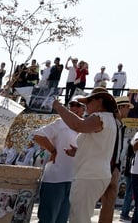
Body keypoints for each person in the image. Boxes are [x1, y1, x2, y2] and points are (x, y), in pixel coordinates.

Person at [51, 87, 118, 223]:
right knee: (81, 216)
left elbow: (77, 125)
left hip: (89, 175)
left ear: (99, 101)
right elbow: (99, 147)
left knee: (79, 218)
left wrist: (59, 107)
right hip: (95, 174)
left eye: (89, 101)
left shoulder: (101, 117)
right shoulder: (109, 119)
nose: (85, 105)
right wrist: (78, 152)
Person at [31, 99, 81, 223]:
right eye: (72, 104)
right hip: (55, 178)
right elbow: (38, 135)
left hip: (73, 179)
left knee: (62, 219)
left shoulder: (84, 128)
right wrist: (53, 150)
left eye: (78, 105)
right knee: (48, 218)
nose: (74, 107)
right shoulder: (61, 123)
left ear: (84, 109)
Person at [98, 95, 132, 223]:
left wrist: (116, 167)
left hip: (113, 168)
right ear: (120, 107)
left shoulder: (120, 125)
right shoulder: (108, 122)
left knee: (109, 205)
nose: (129, 110)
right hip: (104, 166)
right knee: (87, 205)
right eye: (127, 107)